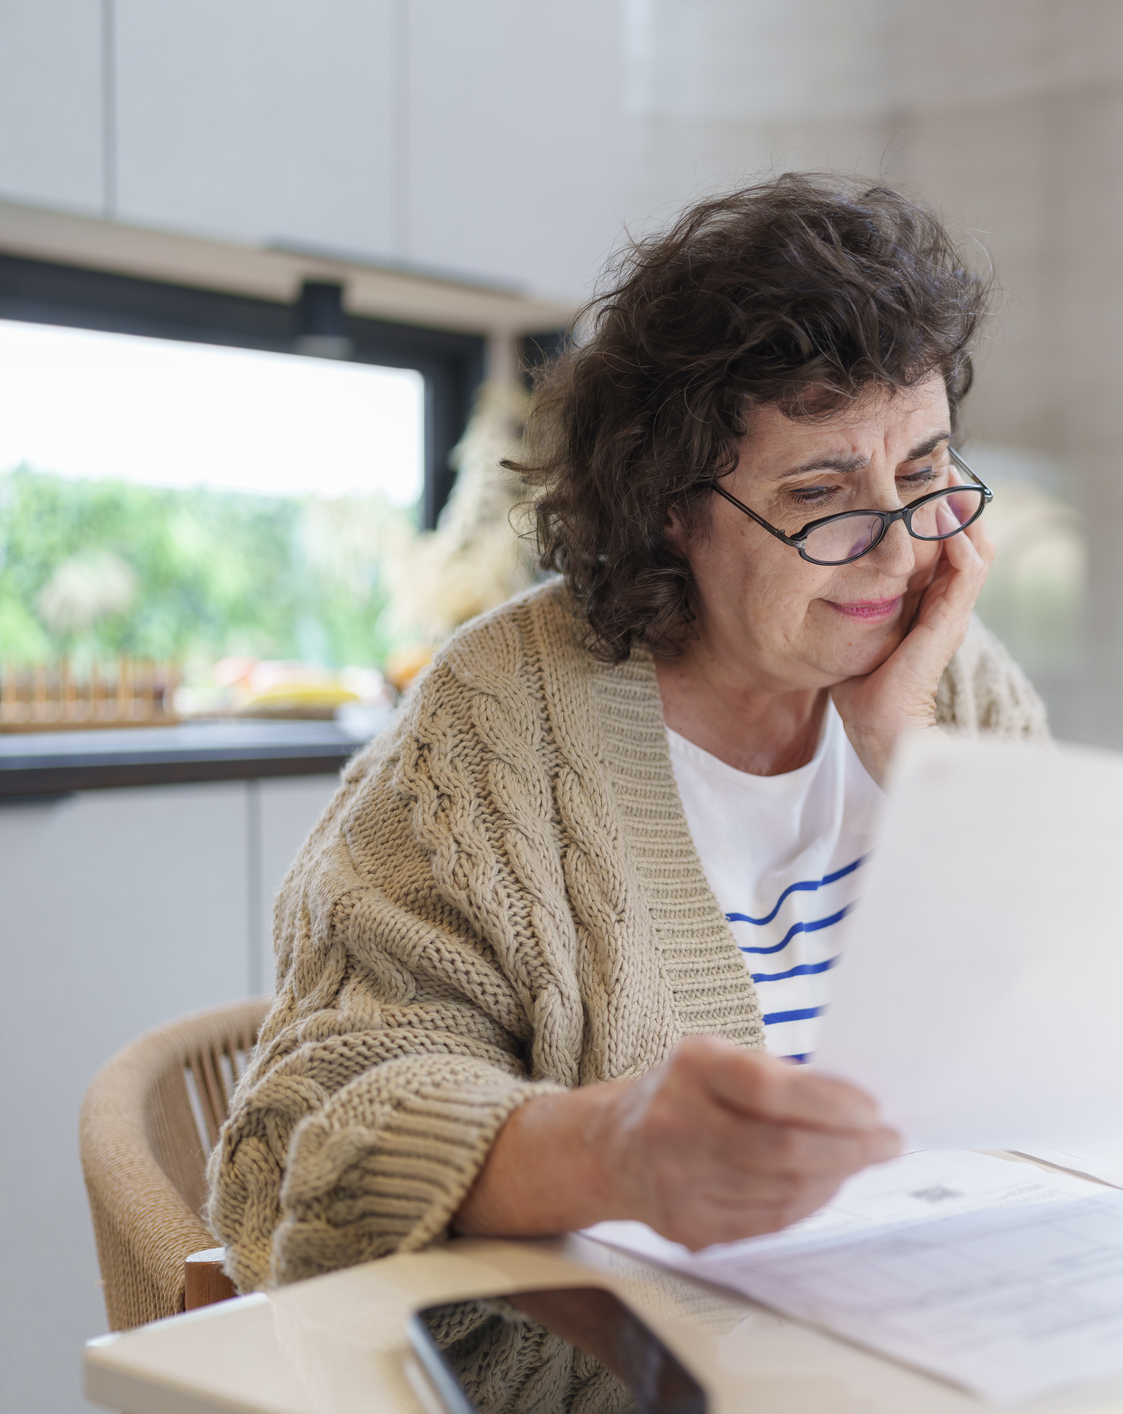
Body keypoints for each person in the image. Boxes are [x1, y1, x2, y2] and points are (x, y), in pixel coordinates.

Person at [207, 174, 1048, 1290]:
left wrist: (921, 764)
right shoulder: (498, 725)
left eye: (927, 472)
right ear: (670, 502)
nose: (900, 555)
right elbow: (307, 1147)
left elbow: (1083, 1027)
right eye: (822, 494)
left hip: (964, 1317)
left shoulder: (957, 678)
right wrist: (615, 1152)